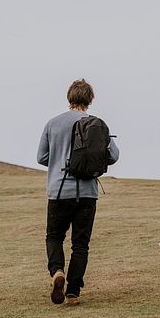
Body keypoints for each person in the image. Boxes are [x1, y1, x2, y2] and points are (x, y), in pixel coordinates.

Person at [36, 78, 120, 305]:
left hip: (59, 191)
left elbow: (41, 157)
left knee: (54, 236)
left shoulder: (53, 124)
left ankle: (57, 272)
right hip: (87, 193)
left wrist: (58, 161)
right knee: (80, 244)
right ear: (90, 100)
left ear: (69, 97)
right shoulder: (97, 124)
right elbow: (113, 156)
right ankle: (73, 292)